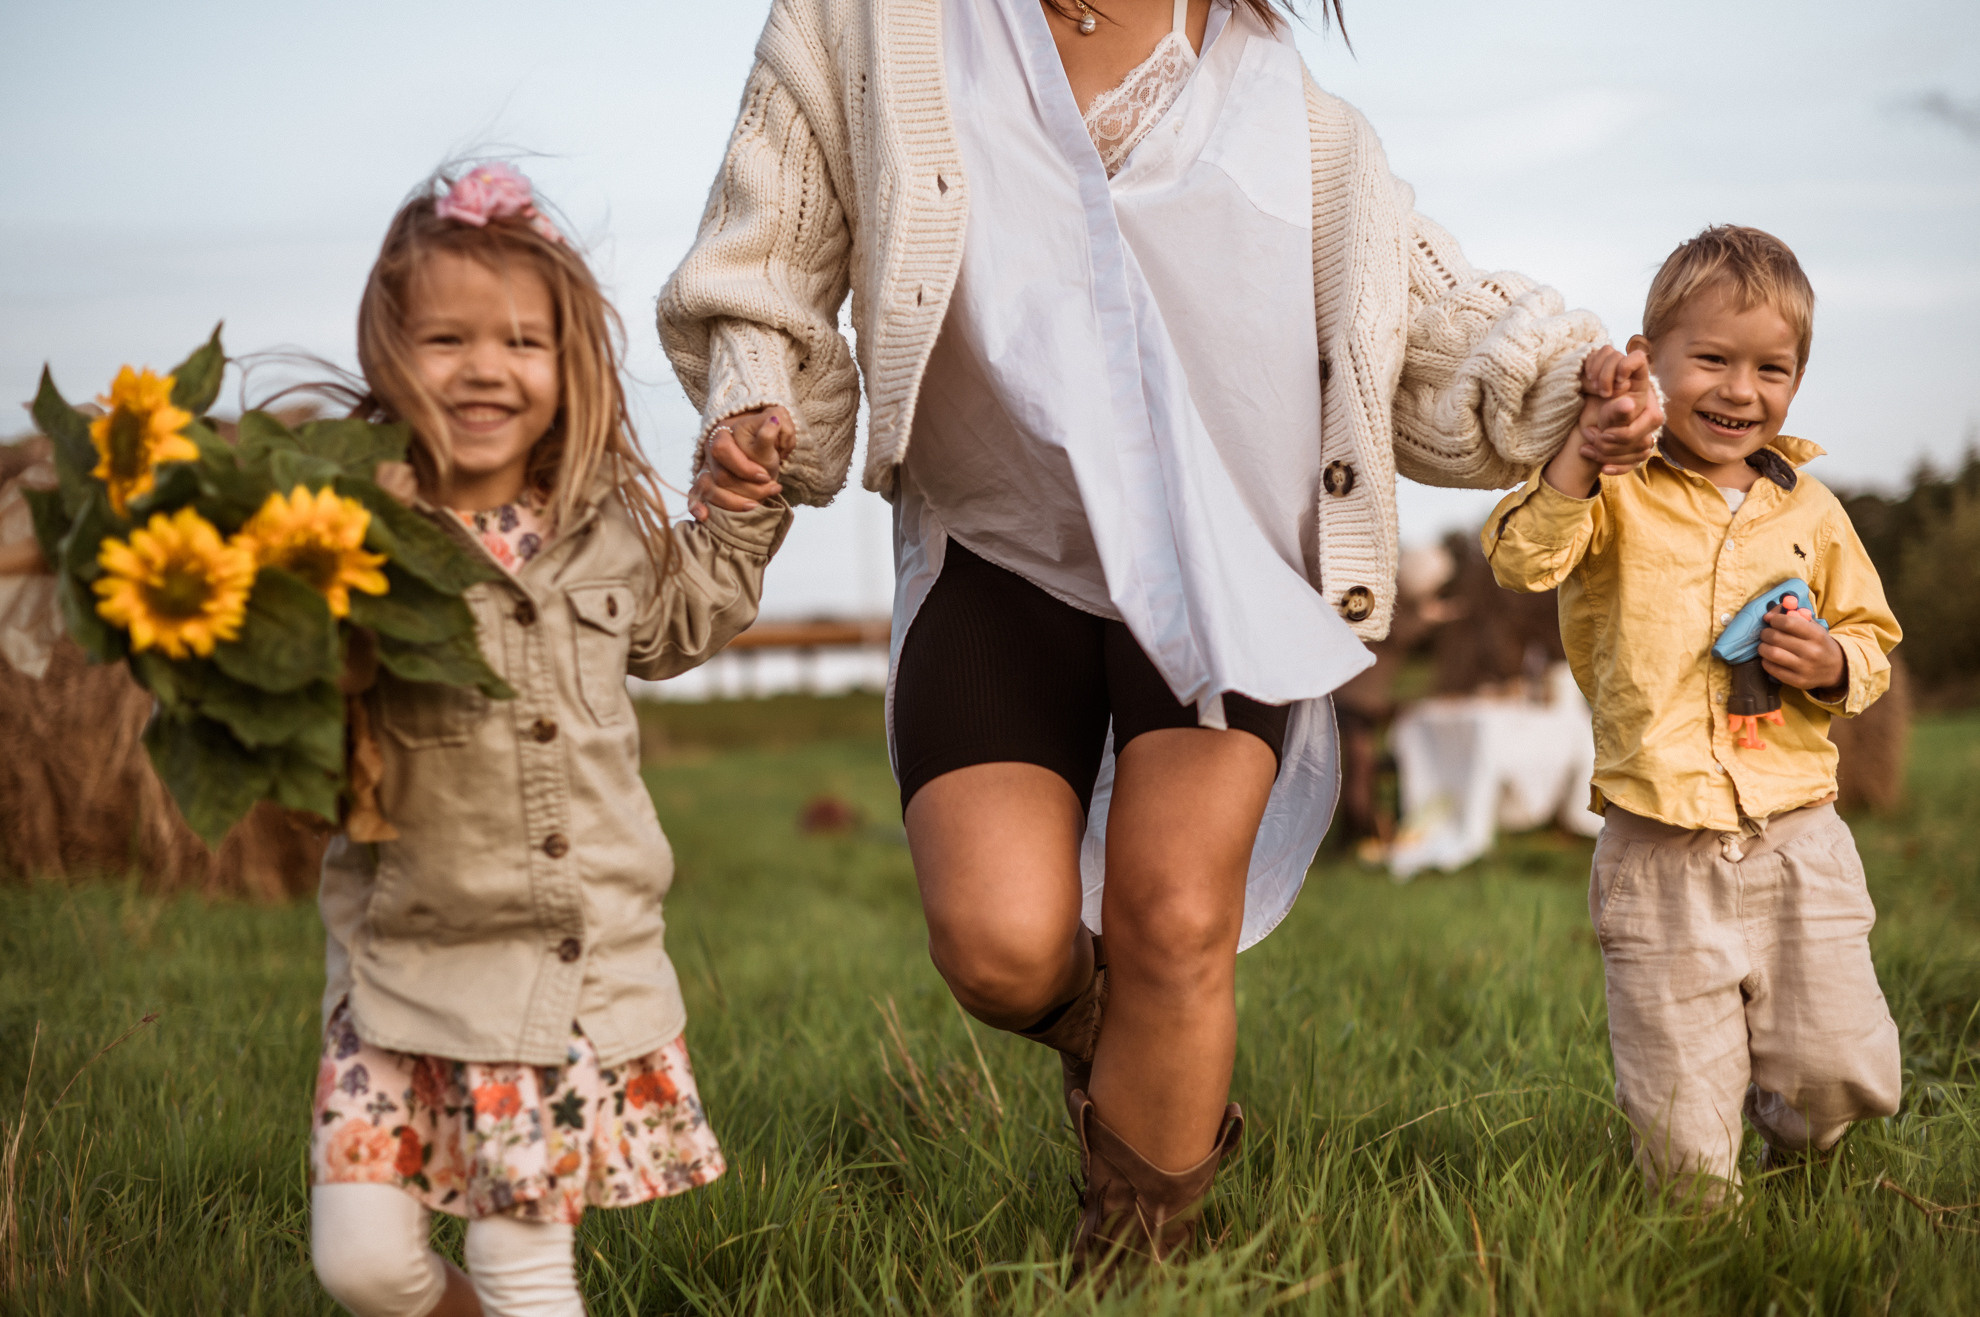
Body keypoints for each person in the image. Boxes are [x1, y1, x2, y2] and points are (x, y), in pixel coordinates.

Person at [663, 0, 1659, 1269]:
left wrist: (1581, 384)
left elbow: (1422, 318)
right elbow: (764, 254)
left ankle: (1141, 1268)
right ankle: (1133, 1038)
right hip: (998, 547)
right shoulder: (870, 26)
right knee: (1000, 950)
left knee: (1176, 921)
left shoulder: (1302, 123)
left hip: (1228, 569)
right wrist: (755, 399)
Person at [307, 164, 791, 1317]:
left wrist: (738, 511)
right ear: (391, 353)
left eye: (524, 342)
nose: (486, 368)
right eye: (446, 339)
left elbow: (677, 623)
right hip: (405, 961)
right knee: (364, 1268)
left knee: (522, 1270)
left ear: (568, 366)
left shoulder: (600, 525)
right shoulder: (351, 532)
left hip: (566, 967)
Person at [1484, 225, 1903, 1206]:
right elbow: (1521, 559)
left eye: (1771, 369)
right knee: (1680, 1121)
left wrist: (1834, 659)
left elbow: (1872, 638)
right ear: (1651, 358)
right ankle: (1703, 1231)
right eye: (1711, 360)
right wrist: (1583, 452)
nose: (1740, 390)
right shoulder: (1613, 489)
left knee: (1840, 1066)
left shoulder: (1813, 513)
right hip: (1660, 847)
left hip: (1798, 836)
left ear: (1797, 379)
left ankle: (1793, 1139)